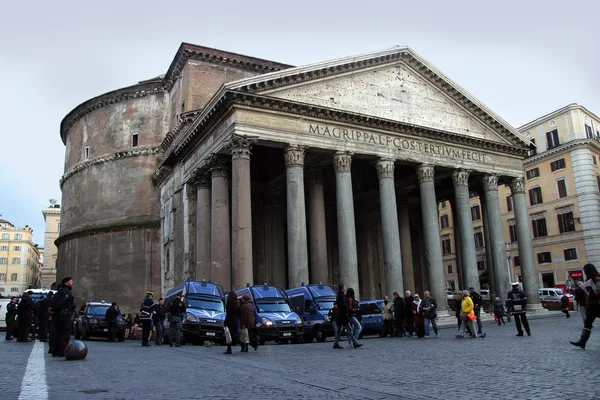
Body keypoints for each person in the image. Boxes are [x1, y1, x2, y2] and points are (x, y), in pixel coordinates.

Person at [570, 264, 600, 349]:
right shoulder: (589, 280)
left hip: (597, 304)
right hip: (593, 305)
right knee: (587, 323)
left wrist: (591, 295)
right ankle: (582, 341)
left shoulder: (597, 279)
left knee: (588, 323)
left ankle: (582, 341)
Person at [52, 277, 76, 357]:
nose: (72, 282)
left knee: (58, 333)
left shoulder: (61, 291)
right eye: (70, 281)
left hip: (60, 315)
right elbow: (63, 302)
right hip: (64, 315)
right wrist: (56, 309)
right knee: (64, 334)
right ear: (66, 283)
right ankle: (62, 351)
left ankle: (56, 350)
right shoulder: (65, 292)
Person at [333, 284, 362, 349]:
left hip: (340, 315)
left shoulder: (339, 295)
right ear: (342, 289)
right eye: (344, 287)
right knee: (349, 329)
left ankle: (336, 343)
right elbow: (344, 305)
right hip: (343, 315)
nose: (345, 288)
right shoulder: (341, 296)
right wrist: (347, 311)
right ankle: (355, 343)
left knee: (339, 330)